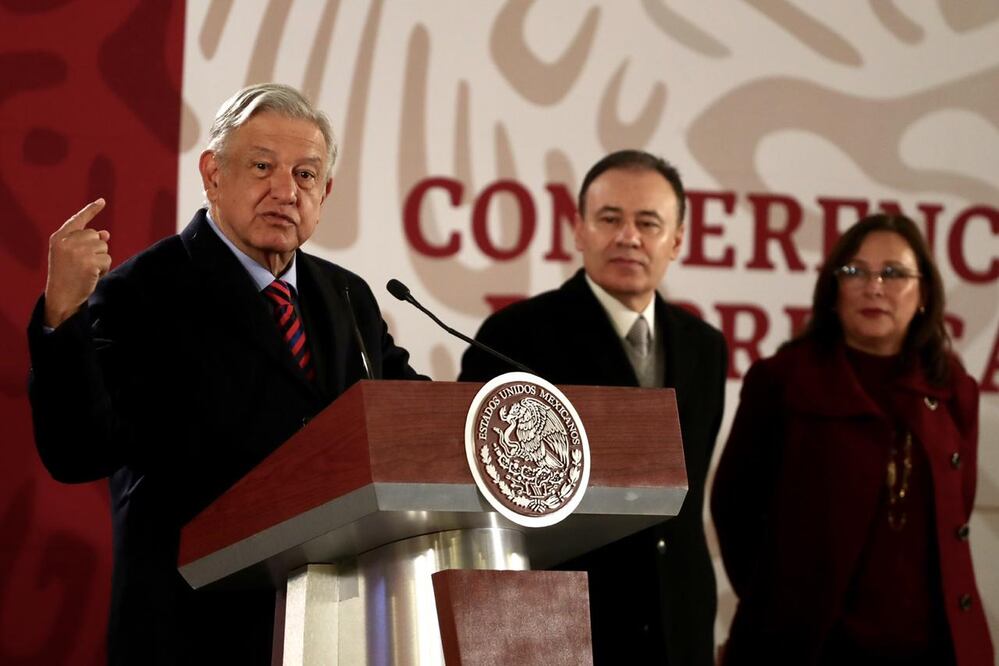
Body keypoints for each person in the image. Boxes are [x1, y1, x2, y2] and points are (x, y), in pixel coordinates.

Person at [27, 83, 424, 664]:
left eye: (306, 175)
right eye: (262, 166)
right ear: (213, 173)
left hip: (332, 627)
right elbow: (77, 451)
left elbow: (404, 414)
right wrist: (64, 318)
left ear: (326, 192)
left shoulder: (348, 296)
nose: (285, 191)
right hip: (194, 629)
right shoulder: (142, 292)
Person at [459, 149, 728, 665]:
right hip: (562, 619)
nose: (628, 236)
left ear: (676, 241)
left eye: (648, 223)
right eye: (610, 219)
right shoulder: (516, 335)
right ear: (578, 230)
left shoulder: (705, 346)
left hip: (680, 618)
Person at [711, 214, 994, 665]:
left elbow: (957, 508)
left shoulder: (953, 389)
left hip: (932, 649)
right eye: (855, 271)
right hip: (809, 646)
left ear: (923, 294)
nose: (874, 286)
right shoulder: (781, 382)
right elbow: (735, 509)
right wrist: (781, 607)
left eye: (894, 273)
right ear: (833, 291)